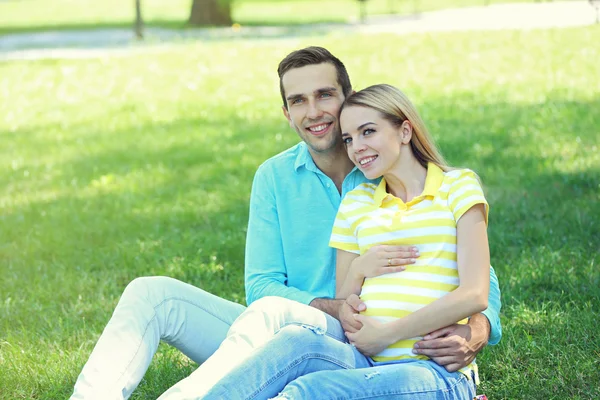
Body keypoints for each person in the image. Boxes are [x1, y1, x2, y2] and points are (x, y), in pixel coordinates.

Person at [70, 47, 501, 400]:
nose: (313, 112)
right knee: (153, 293)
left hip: (346, 336)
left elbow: (467, 269)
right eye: (298, 101)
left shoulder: (385, 172)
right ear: (287, 113)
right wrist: (339, 301)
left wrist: (480, 325)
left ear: (347, 98)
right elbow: (261, 287)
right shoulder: (274, 177)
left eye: (324, 95)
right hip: (294, 326)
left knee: (280, 325)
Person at [166, 83, 493, 400]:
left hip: (433, 372)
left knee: (308, 392)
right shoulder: (357, 202)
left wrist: (387, 335)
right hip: (363, 360)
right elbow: (343, 301)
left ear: (405, 131)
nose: (357, 148)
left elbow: (476, 293)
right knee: (295, 341)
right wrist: (360, 269)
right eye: (349, 139)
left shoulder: (458, 186)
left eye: (368, 132)